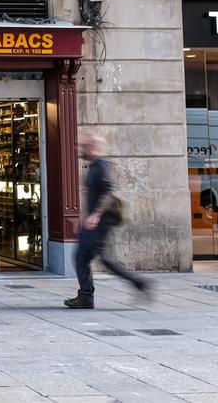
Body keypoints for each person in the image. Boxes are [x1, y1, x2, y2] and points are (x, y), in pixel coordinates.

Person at [65, 132, 151, 309]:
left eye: (83, 146)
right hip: (96, 222)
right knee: (101, 259)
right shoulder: (94, 166)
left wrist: (96, 215)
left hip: (100, 223)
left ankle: (86, 296)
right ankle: (138, 284)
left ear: (92, 147)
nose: (79, 150)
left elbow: (108, 191)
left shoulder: (102, 165)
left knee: (82, 257)